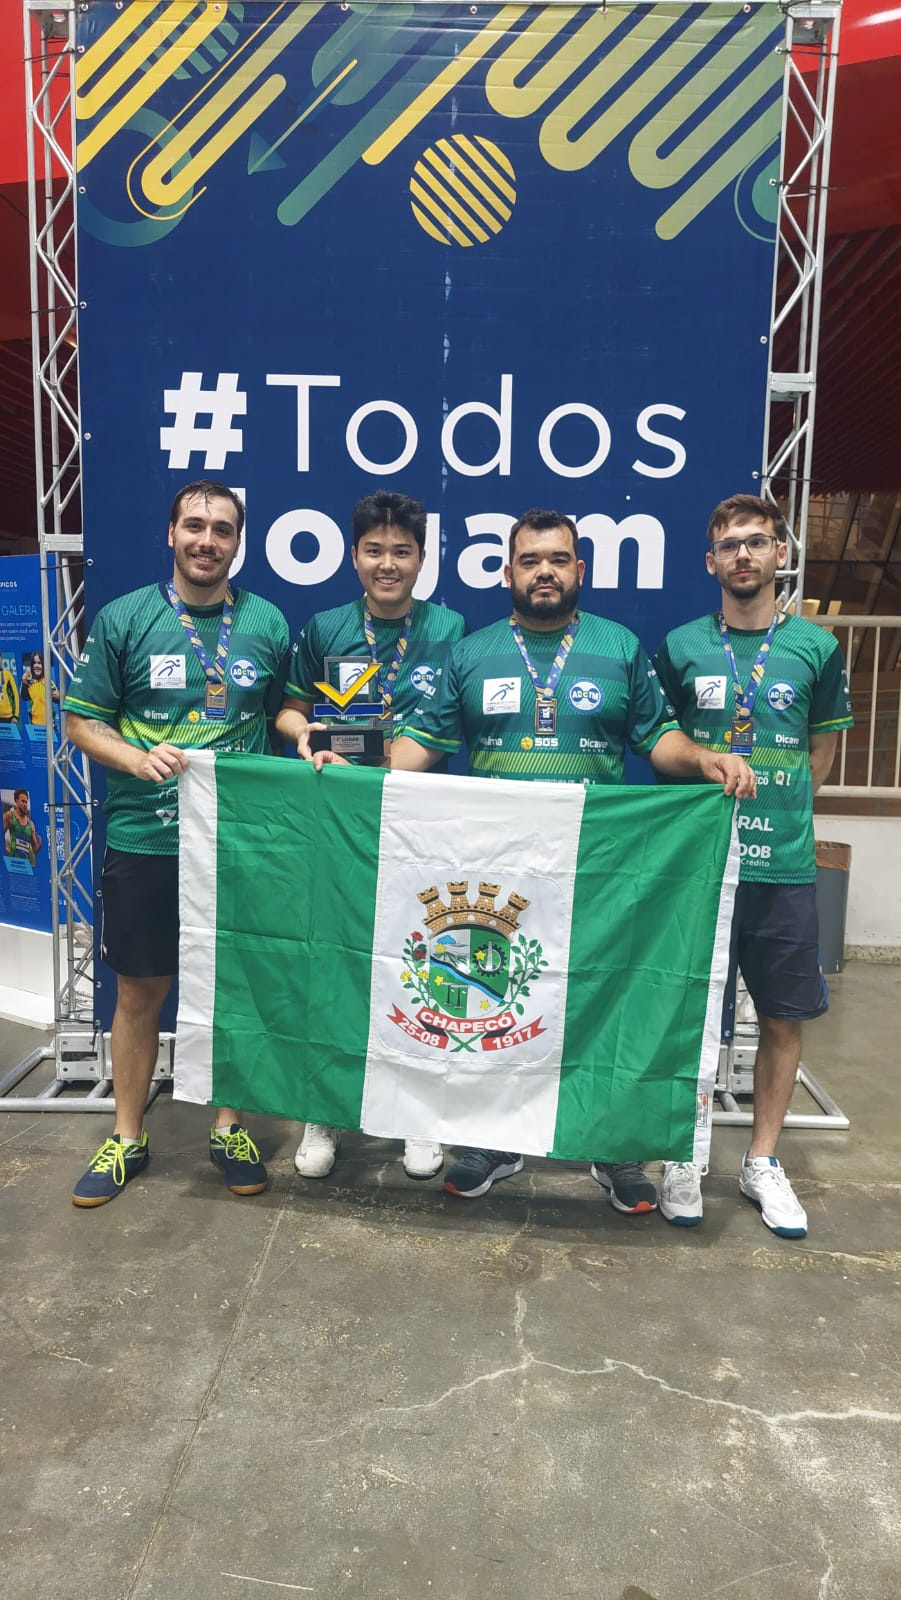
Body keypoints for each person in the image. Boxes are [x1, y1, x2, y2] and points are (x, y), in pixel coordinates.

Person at [371, 507, 755, 1210]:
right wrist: (352, 767)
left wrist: (704, 759)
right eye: (529, 560)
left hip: (595, 866)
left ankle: (614, 1148)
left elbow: (658, 738)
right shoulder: (472, 652)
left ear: (579, 569)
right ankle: (491, 1140)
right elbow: (416, 750)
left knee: (600, 999)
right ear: (507, 573)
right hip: (498, 874)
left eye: (556, 559)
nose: (543, 572)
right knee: (498, 1003)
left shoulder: (619, 647)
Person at [64, 480, 290, 1207]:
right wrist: (136, 759)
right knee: (140, 990)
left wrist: (307, 735)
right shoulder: (126, 618)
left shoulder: (267, 622)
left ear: (237, 542)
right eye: (194, 525)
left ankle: (229, 1128)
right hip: (146, 837)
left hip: (237, 843)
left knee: (233, 988)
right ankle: (127, 1136)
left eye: (222, 529)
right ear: (171, 534)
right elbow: (81, 722)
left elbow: (279, 715)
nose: (207, 540)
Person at [654, 493, 853, 1237]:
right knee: (691, 1016)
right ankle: (684, 1153)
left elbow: (818, 758)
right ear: (710, 561)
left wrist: (779, 813)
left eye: (757, 541)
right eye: (730, 544)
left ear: (780, 555)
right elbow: (666, 752)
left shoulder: (815, 648)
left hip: (784, 869)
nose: (744, 554)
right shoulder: (679, 646)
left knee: (781, 1017)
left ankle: (761, 1160)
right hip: (701, 870)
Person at [276, 488, 467, 1182]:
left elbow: (452, 721)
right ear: (354, 555)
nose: (388, 564)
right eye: (375, 550)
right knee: (336, 962)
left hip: (423, 822)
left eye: (402, 551)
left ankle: (417, 1113)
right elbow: (289, 709)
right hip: (339, 821)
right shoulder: (325, 628)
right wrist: (305, 736)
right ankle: (322, 1111)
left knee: (417, 962)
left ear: (421, 558)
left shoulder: (451, 628)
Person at [20, 651, 59, 727]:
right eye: (35, 663)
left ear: (44, 665)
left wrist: (59, 696)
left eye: (39, 663)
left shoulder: (49, 683)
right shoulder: (29, 683)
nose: (37, 665)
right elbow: (24, 697)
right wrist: (24, 682)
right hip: (34, 726)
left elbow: (57, 699)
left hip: (50, 727)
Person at [4, 788, 42, 865]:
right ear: (16, 801)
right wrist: (5, 850)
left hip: (25, 865)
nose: (25, 804)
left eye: (26, 802)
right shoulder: (10, 815)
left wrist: (40, 843)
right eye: (22, 801)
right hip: (12, 863)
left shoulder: (31, 824)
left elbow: (35, 850)